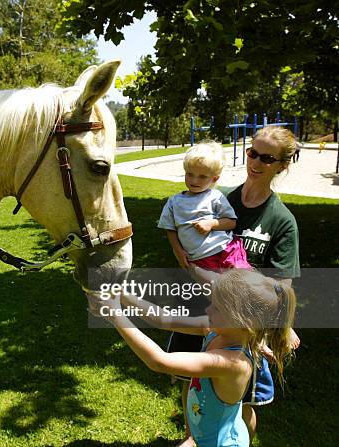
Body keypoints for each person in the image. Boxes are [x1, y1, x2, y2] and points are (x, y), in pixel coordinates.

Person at [175, 126, 301, 445]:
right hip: (203, 308)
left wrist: (269, 330)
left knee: (243, 403)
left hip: (243, 326)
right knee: (193, 384)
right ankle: (197, 439)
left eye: (267, 157)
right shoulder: (217, 198)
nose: (256, 161)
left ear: (281, 165)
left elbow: (280, 284)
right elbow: (188, 241)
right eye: (252, 152)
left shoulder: (281, 221)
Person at [87, 269, 296, 447]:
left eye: (217, 308)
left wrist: (116, 316)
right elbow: (163, 318)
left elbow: (159, 361)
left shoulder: (233, 363)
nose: (207, 309)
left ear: (244, 321)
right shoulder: (216, 330)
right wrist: (122, 295)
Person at [158, 142, 251, 272]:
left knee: (246, 278)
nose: (194, 181)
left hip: (226, 249)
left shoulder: (215, 197)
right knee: (220, 287)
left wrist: (211, 224)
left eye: (202, 177)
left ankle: (273, 289)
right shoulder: (174, 202)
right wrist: (178, 251)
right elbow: (170, 229)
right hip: (200, 258)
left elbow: (231, 222)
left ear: (214, 178)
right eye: (190, 174)